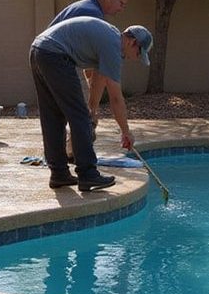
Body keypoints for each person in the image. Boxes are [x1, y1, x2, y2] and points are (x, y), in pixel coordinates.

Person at [29, 16, 152, 192]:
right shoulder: (113, 47)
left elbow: (96, 77)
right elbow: (116, 98)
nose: (135, 58)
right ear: (133, 42)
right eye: (139, 53)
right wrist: (126, 132)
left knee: (53, 116)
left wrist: (92, 107)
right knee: (80, 118)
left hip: (39, 50)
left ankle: (59, 173)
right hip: (55, 55)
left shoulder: (108, 38)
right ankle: (88, 174)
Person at [48, 0, 129, 161]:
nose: (122, 8)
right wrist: (93, 108)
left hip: (49, 59)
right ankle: (84, 165)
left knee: (67, 114)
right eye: (121, 3)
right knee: (83, 118)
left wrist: (92, 103)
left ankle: (68, 157)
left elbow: (91, 68)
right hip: (57, 60)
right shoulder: (92, 14)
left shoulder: (86, 8)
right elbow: (105, 79)